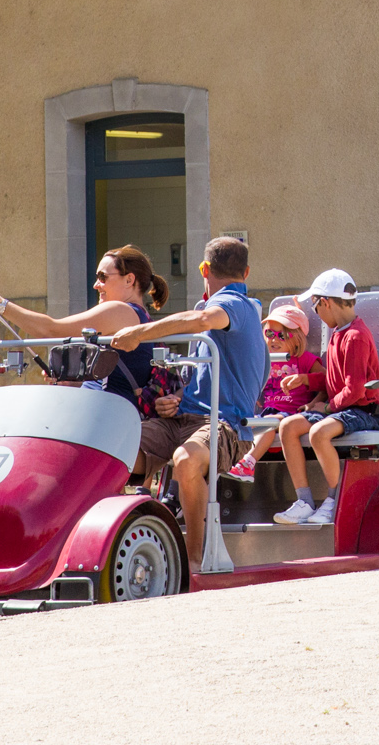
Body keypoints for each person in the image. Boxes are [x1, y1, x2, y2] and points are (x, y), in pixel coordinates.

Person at [111, 237, 265, 558]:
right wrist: (176, 398)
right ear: (247, 271)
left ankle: (195, 560)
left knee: (185, 459)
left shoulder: (235, 304)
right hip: (182, 419)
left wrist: (137, 334)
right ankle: (119, 540)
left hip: (224, 425)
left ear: (204, 269)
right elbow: (200, 377)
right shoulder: (209, 309)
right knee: (111, 448)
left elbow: (206, 319)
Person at [268, 270, 379, 527]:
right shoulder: (338, 333)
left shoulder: (355, 336)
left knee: (318, 433)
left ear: (325, 302)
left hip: (365, 412)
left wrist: (325, 407)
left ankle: (333, 500)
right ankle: (304, 501)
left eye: (315, 307)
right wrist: (305, 380)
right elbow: (334, 380)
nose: (316, 313)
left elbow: (354, 391)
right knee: (288, 427)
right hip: (342, 409)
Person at [0, 244, 168, 406]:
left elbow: (50, 330)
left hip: (106, 417)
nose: (96, 285)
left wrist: (1, 305)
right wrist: (75, 383)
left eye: (102, 277)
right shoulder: (137, 315)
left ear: (129, 280)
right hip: (105, 411)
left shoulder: (121, 311)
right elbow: (115, 380)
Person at [230, 302, 328, 478]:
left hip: (292, 414)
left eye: (281, 335)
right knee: (243, 424)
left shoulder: (305, 360)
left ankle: (248, 463)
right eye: (269, 334)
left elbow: (327, 382)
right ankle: (231, 464)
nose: (274, 339)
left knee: (267, 424)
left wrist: (313, 403)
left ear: (297, 339)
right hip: (268, 412)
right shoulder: (264, 360)